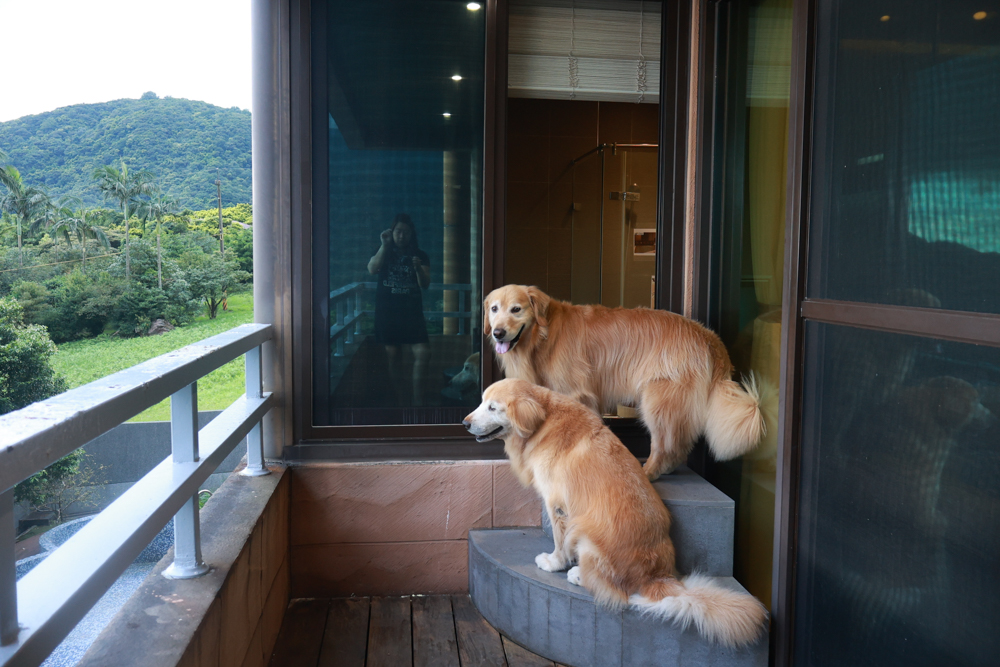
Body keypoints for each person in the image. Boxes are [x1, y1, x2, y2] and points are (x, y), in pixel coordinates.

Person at [367, 214, 431, 405]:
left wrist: (418, 268)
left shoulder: (420, 255)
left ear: (412, 234)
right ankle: (401, 401)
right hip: (388, 312)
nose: (401, 236)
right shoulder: (383, 251)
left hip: (411, 312)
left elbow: (425, 284)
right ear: (392, 232)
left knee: (423, 353)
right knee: (393, 355)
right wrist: (384, 245)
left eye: (405, 232)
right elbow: (372, 268)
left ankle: (418, 402)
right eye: (398, 231)